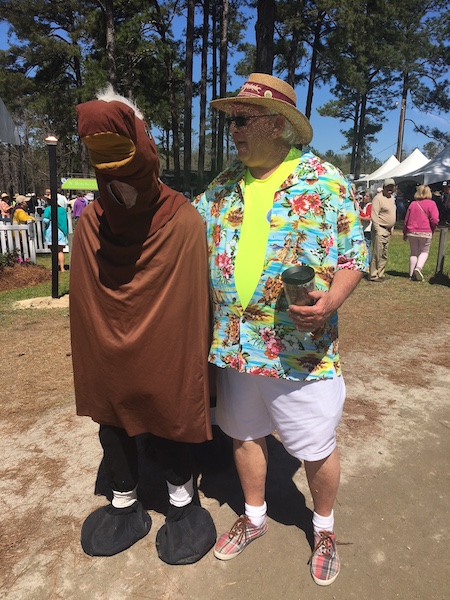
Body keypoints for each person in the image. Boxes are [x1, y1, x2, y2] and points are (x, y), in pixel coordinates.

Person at [194, 73, 368, 586]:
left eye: (242, 120)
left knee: (314, 446)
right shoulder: (222, 187)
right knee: (244, 436)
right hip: (234, 346)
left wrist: (333, 298)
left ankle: (325, 529)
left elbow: (353, 258)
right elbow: (179, 235)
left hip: (300, 351)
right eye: (231, 121)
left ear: (278, 124)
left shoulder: (326, 182)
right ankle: (253, 518)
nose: (233, 131)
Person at [70, 88, 216, 564]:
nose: (111, 166)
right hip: (108, 336)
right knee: (109, 402)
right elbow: (86, 303)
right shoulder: (90, 225)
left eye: (120, 149)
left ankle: (180, 499)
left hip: (164, 336)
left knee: (169, 392)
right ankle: (124, 499)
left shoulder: (183, 223)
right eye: (99, 154)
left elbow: (193, 313)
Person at [402, 184, 439, 281]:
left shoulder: (413, 204)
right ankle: (418, 268)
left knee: (413, 253)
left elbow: (406, 219)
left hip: (412, 231)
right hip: (425, 231)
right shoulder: (432, 204)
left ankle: (411, 274)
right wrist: (433, 228)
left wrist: (404, 232)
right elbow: (435, 219)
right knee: (424, 251)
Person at [369, 178, 396, 282]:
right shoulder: (378, 199)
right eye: (388, 186)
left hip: (388, 230)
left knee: (384, 253)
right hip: (380, 229)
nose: (390, 189)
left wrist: (392, 227)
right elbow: (374, 215)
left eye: (392, 187)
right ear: (384, 187)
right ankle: (373, 275)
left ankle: (381, 273)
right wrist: (377, 229)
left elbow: (392, 213)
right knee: (377, 253)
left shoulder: (392, 198)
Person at [43, 195, 68, 272]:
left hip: (51, 231)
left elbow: (45, 220)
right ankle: (62, 268)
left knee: (53, 251)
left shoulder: (48, 209)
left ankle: (55, 268)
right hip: (61, 231)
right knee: (60, 251)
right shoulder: (63, 210)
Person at [359, 190, 373, 256]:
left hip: (368, 229)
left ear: (370, 198)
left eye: (367, 196)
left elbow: (368, 218)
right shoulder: (365, 205)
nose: (364, 197)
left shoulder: (370, 206)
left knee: (367, 247)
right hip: (364, 228)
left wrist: (360, 214)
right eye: (364, 196)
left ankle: (369, 262)